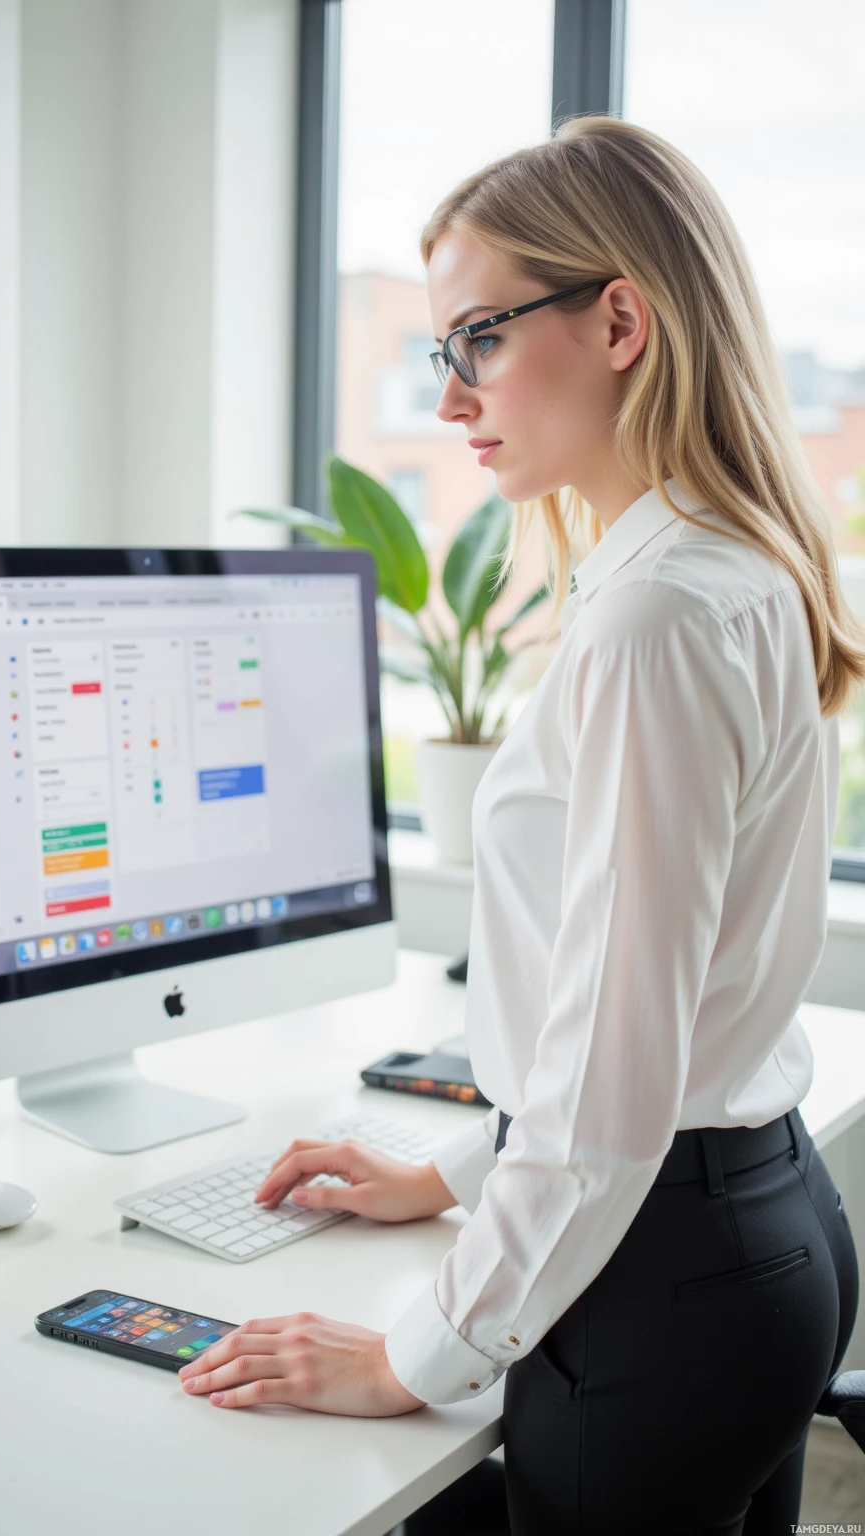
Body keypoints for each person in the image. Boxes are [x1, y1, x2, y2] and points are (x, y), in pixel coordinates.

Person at [176, 115, 862, 1535]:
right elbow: (645, 1045)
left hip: (665, 1283)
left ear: (621, 319)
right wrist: (449, 1171)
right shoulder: (714, 569)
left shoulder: (655, 614)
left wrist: (417, 1357)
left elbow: (618, 1083)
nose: (450, 398)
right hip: (755, 1228)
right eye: (443, 351)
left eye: (478, 337)